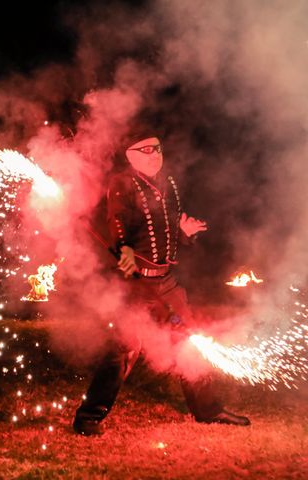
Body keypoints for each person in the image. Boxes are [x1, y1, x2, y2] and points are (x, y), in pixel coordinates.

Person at [73, 129, 250, 436]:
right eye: (147, 150)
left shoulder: (166, 184)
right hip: (136, 286)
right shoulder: (122, 183)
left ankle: (208, 410)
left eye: (158, 148)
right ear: (131, 155)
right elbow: (117, 220)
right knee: (123, 349)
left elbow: (166, 232)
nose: (156, 154)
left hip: (166, 284)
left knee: (189, 343)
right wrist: (124, 247)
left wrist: (184, 232)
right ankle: (88, 417)